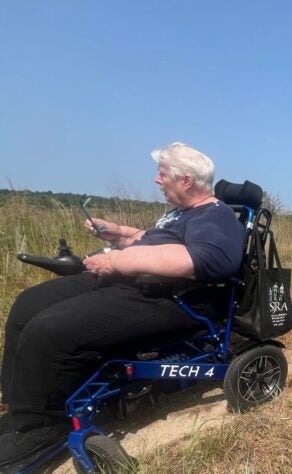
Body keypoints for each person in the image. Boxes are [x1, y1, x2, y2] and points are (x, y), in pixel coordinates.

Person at [0, 142, 245, 469]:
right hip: (132, 284)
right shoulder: (180, 214)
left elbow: (209, 259)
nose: (157, 180)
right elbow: (148, 239)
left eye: (163, 174)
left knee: (49, 329)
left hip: (174, 300)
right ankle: (21, 408)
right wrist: (115, 233)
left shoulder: (216, 215)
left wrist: (120, 261)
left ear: (186, 180)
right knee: (28, 304)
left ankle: (42, 428)